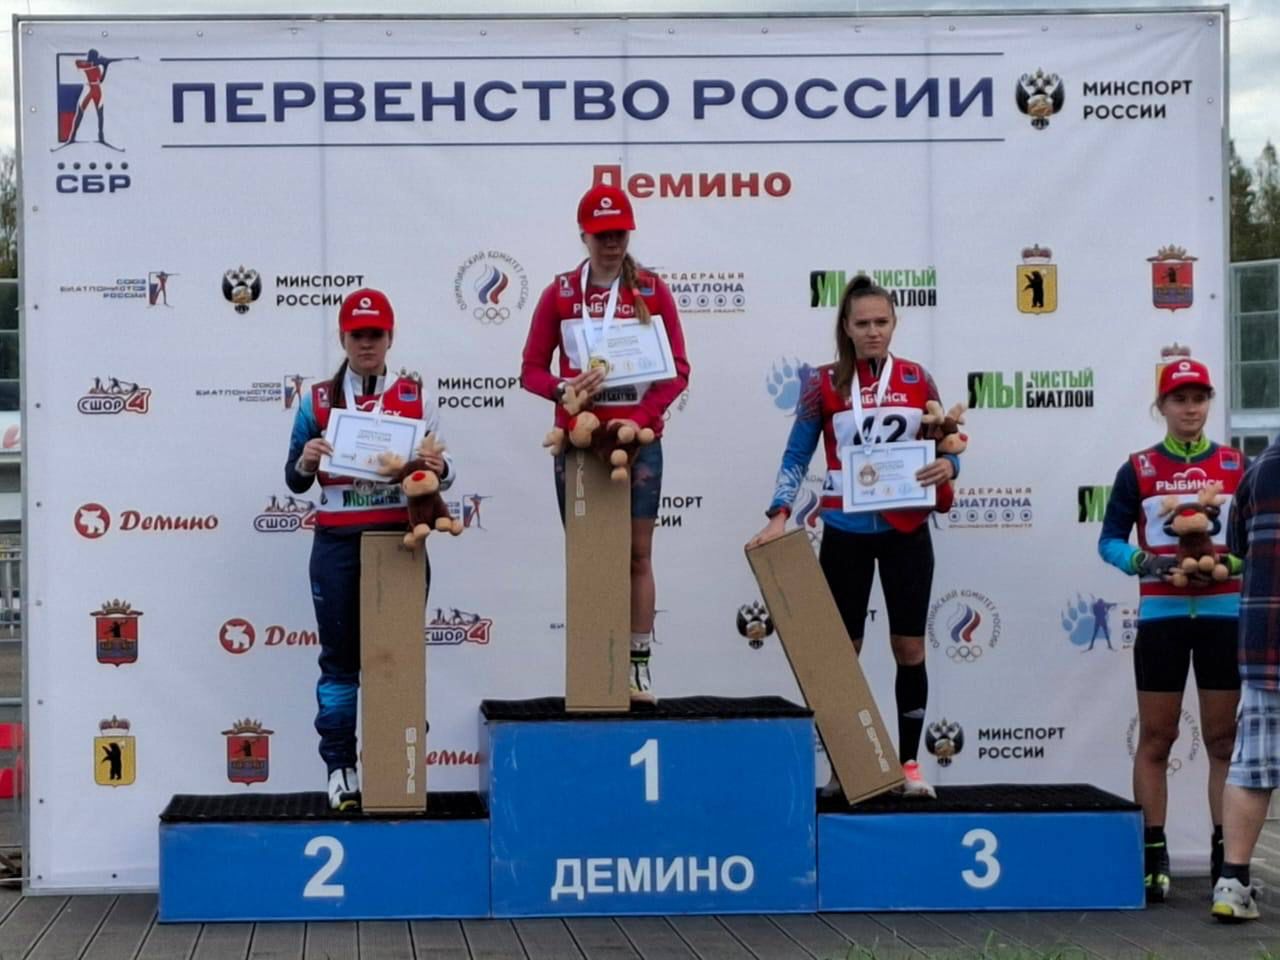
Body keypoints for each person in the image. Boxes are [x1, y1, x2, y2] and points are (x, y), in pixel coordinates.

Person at [746, 274, 960, 799]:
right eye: (862, 323)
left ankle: (910, 765)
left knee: (909, 647)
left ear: (895, 323)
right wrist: (779, 513)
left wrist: (951, 466)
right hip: (845, 528)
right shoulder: (823, 383)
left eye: (881, 322)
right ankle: (848, 767)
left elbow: (946, 443)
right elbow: (797, 453)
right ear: (845, 326)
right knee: (843, 655)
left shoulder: (918, 378)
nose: (872, 332)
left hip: (906, 527)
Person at [520, 183, 690, 703]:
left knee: (638, 555)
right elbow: (530, 369)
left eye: (619, 234)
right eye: (601, 235)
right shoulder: (559, 293)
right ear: (584, 236)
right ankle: (595, 665)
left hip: (638, 441)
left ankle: (638, 665)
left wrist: (638, 420)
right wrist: (563, 389)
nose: (612, 244)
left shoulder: (652, 291)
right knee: (590, 558)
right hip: (579, 443)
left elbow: (678, 371)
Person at [284, 287, 454, 810]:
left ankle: (395, 765)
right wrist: (307, 459)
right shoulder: (316, 400)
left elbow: (442, 471)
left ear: (390, 337)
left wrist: (440, 467)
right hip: (337, 542)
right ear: (343, 338)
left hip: (398, 542)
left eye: (375, 334)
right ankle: (340, 768)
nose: (366, 344)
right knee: (340, 662)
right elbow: (294, 479)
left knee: (398, 659)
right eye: (357, 335)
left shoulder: (415, 396)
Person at [1097, 355, 1243, 903]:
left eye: (1199, 398)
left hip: (1224, 615)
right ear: (1161, 405)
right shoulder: (1139, 467)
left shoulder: (1235, 464)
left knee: (1223, 740)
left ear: (1209, 402)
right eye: (1179, 399)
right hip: (1162, 617)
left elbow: (1254, 541)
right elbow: (1109, 540)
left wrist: (1230, 565)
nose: (1190, 408)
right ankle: (1152, 853)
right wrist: (1146, 563)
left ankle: (1228, 857)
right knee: (1157, 737)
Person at [1212, 433, 1280, 921]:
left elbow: (1236, 546)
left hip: (1266, 646)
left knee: (1251, 768)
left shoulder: (1259, 469)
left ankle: (1232, 885)